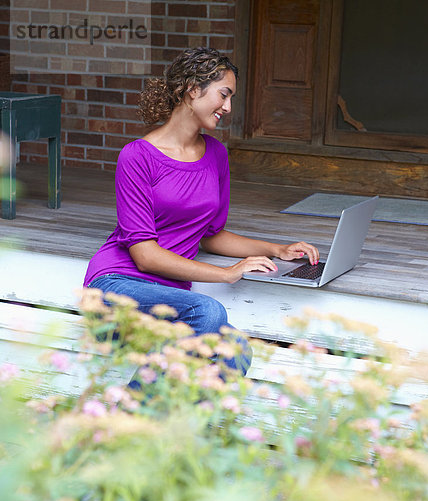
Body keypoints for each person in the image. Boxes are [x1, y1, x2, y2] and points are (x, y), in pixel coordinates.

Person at [83, 47, 319, 376]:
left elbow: (211, 235)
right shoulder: (137, 157)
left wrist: (277, 249)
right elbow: (145, 256)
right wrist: (226, 273)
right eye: (224, 94)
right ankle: (129, 418)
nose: (228, 107)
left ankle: (180, 426)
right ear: (194, 89)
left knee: (235, 352)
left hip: (171, 298)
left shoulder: (216, 154)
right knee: (207, 310)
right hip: (118, 286)